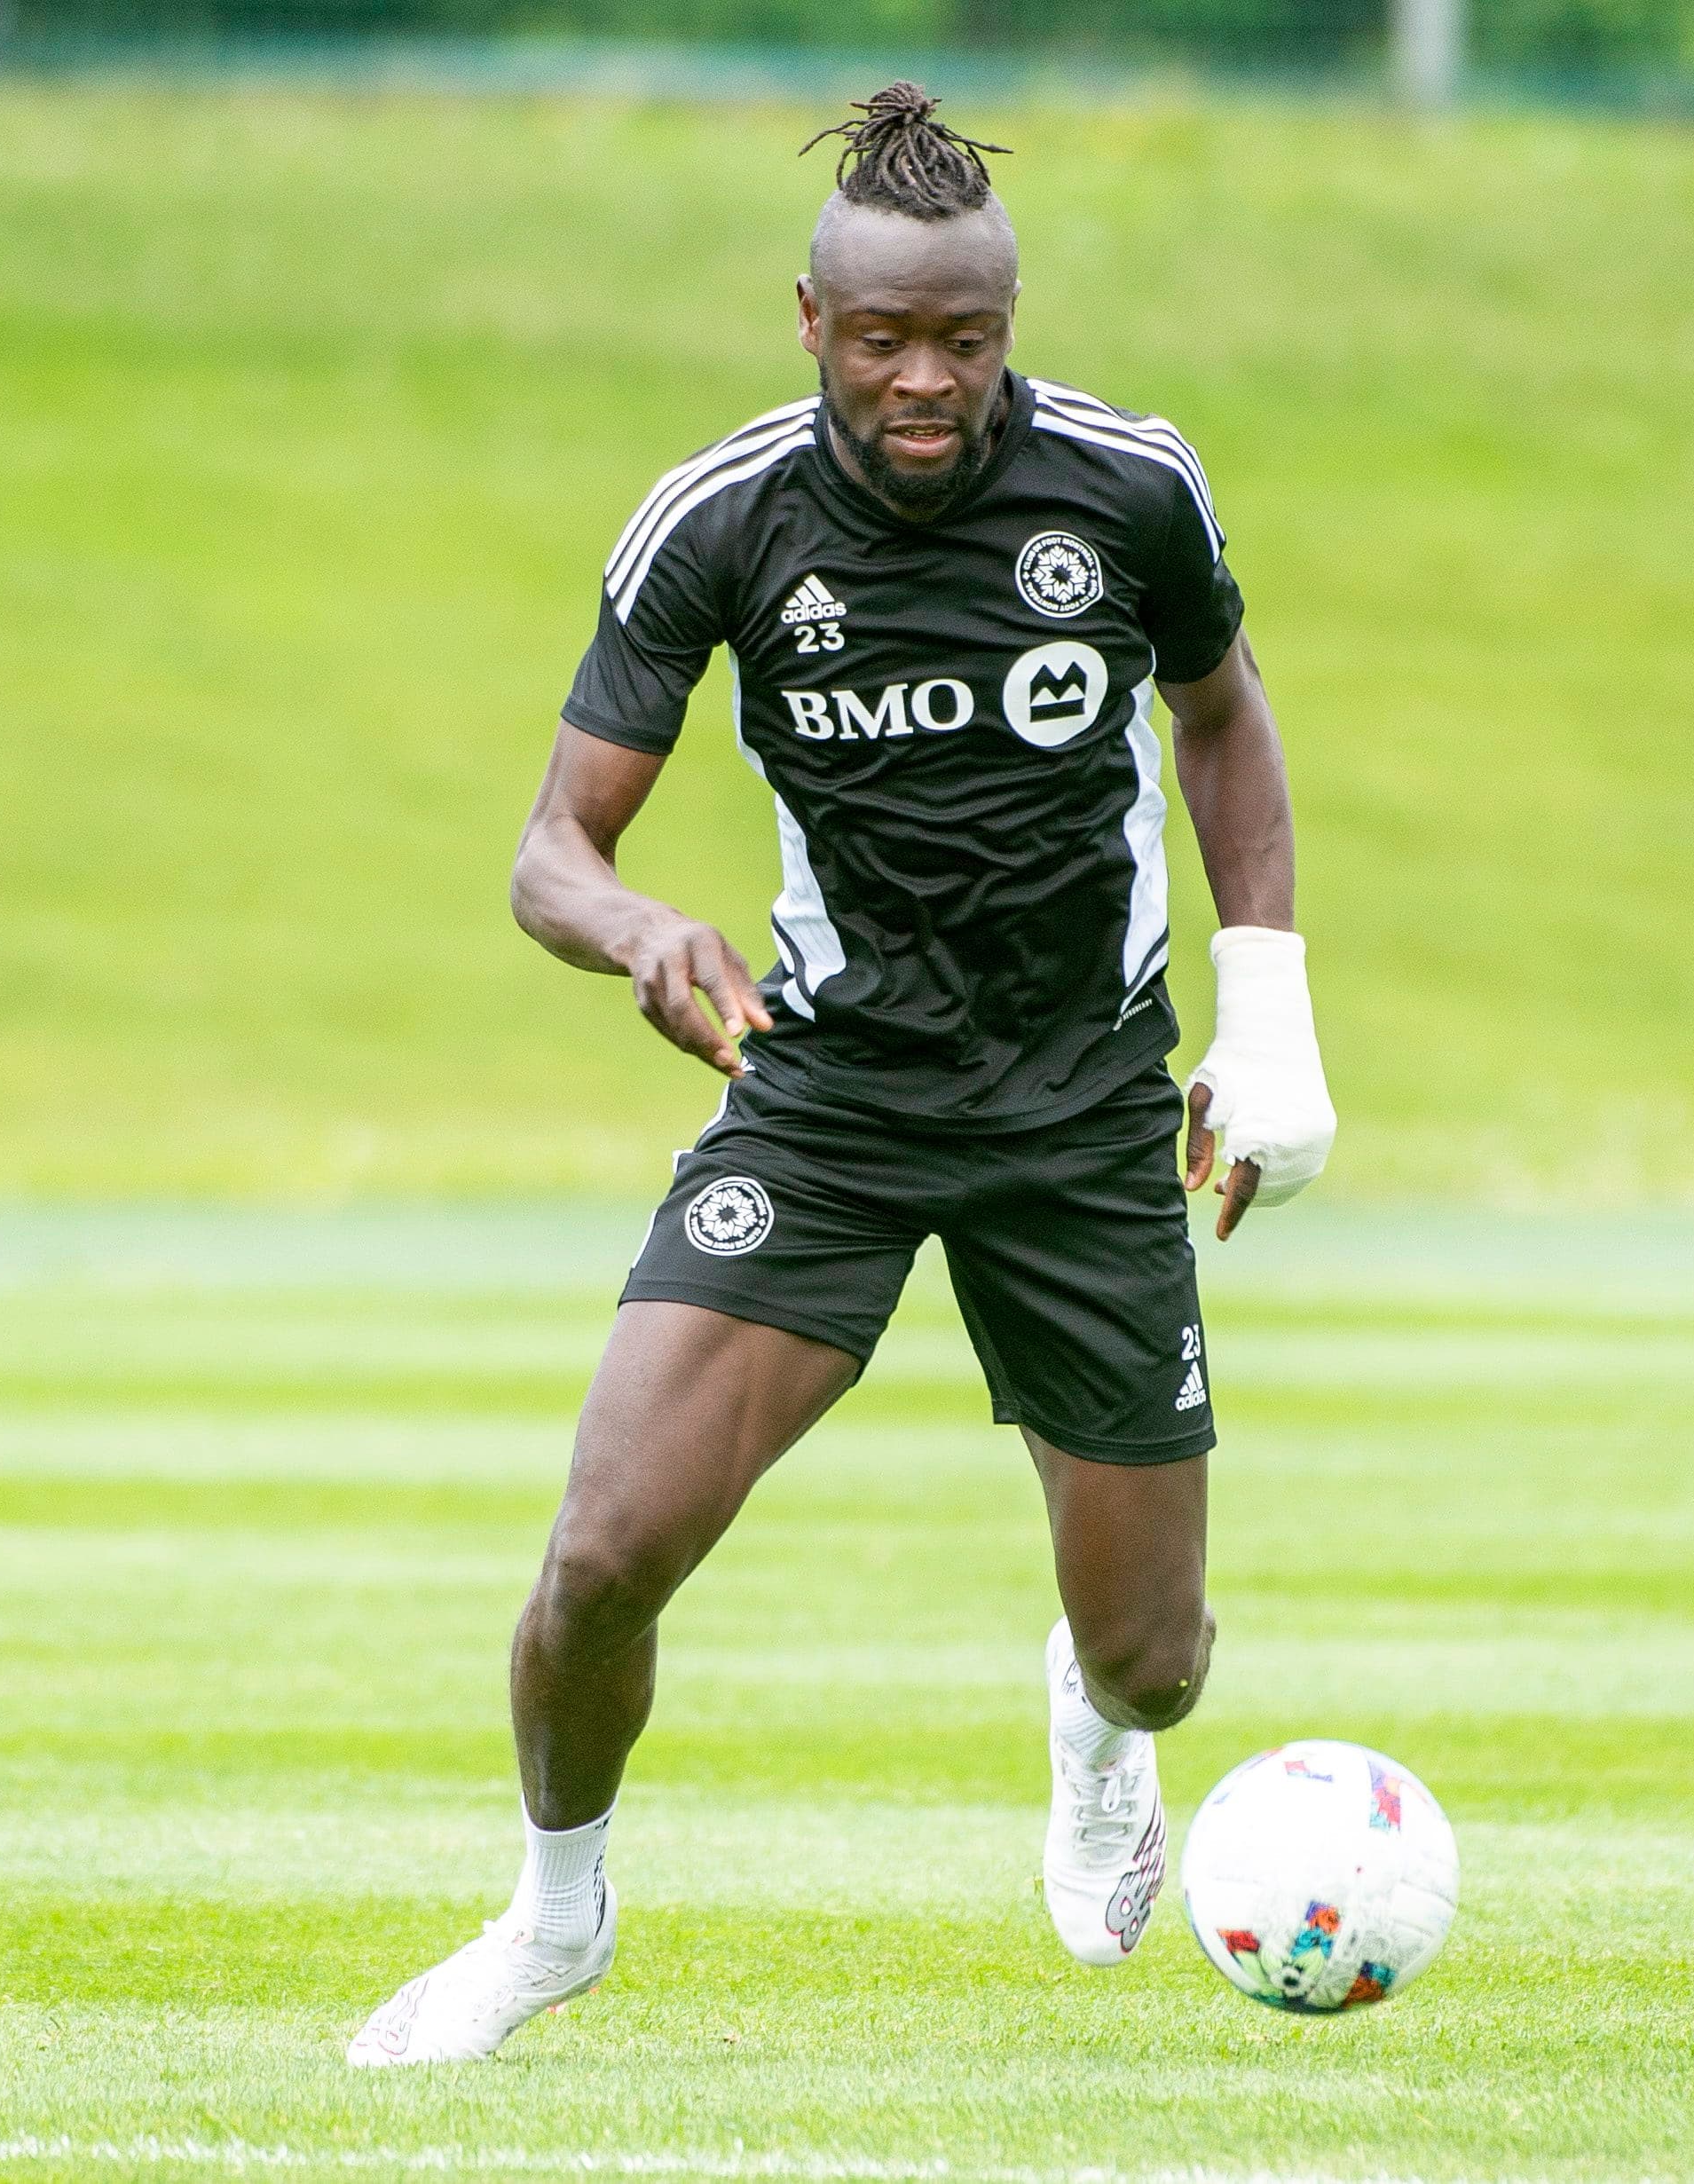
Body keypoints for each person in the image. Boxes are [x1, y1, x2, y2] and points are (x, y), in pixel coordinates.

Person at [350, 82, 1336, 2066]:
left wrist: (1272, 1019)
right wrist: (645, 934)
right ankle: (551, 1919)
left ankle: (1087, 1722)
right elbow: (555, 851)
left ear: (1007, 327)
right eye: (882, 339)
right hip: (832, 1097)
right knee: (601, 1553)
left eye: (964, 342)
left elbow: (1221, 718)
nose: (924, 382)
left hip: (1077, 1110)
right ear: (807, 321)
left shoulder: (1129, 488)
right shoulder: (718, 523)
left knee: (1158, 1665)